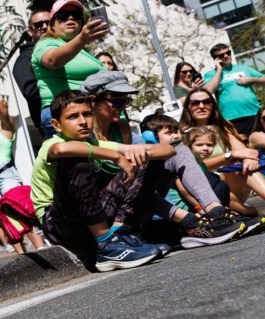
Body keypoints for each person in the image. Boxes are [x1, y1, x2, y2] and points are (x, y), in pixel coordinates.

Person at [82, 74, 245, 249]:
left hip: (136, 204)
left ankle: (217, 213)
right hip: (104, 214)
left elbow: (168, 150)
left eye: (126, 102)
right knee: (136, 172)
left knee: (178, 152)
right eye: (116, 102)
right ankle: (191, 223)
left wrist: (144, 152)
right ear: (93, 101)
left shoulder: (122, 127)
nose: (122, 108)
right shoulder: (84, 133)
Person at [30, 91, 169, 272]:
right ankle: (106, 245)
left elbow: (167, 150)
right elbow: (62, 149)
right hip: (59, 222)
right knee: (76, 157)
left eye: (87, 114)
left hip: (90, 217)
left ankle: (120, 235)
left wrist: (140, 153)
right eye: (73, 116)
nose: (82, 121)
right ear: (56, 125)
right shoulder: (52, 144)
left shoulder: (94, 143)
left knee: (143, 161)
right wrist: (116, 156)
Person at [180, 89, 265, 218]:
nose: (201, 106)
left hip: (233, 183)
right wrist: (229, 156)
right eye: (195, 103)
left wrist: (249, 159)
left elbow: (243, 151)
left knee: (239, 163)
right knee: (231, 167)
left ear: (212, 105)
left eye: (206, 102)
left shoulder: (223, 126)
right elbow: (193, 169)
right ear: (188, 106)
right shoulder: (183, 134)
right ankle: (254, 211)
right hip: (208, 190)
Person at [31, 0, 108, 139]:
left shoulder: (81, 50)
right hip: (65, 114)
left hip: (91, 113)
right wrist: (82, 38)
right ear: (52, 24)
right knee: (82, 160)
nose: (71, 18)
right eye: (63, 15)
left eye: (76, 15)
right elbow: (53, 60)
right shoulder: (46, 43)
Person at [0, 98, 43, 253]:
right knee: (4, 219)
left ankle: (41, 249)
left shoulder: (6, 128)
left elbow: (2, 104)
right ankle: (22, 254)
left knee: (19, 212)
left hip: (6, 174)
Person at [203, 44, 265, 136]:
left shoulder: (243, 68)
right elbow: (208, 91)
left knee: (262, 143)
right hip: (230, 118)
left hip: (254, 112)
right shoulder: (211, 74)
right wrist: (219, 70)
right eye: (221, 55)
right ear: (216, 59)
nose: (226, 56)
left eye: (228, 52)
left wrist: (252, 79)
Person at [11, 10, 48, 130]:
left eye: (49, 22)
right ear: (30, 31)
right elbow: (31, 92)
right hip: (52, 121)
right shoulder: (25, 59)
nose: (45, 26)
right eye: (39, 24)